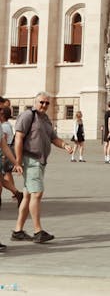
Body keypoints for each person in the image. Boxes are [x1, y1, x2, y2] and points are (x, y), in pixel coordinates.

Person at [12, 91, 74, 244]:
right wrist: (18, 161)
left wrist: (65, 145)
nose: (44, 105)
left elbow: (53, 138)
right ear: (35, 102)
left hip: (40, 161)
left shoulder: (45, 119)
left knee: (28, 195)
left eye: (47, 103)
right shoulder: (28, 116)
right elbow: (19, 137)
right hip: (31, 159)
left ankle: (18, 231)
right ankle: (38, 231)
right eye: (41, 102)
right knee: (37, 194)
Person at [0, 106, 23, 225]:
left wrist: (16, 162)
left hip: (2, 155)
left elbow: (3, 144)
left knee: (3, 177)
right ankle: (17, 193)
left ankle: (17, 193)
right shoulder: (6, 125)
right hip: (4, 154)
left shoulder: (2, 126)